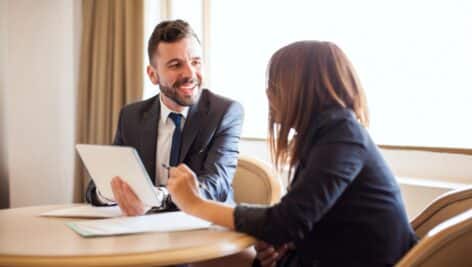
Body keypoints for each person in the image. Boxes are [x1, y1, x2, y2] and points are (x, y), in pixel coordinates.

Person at [167, 41, 418, 267]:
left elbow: (285, 221)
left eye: (274, 84)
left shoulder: (342, 134)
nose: (268, 94)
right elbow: (309, 217)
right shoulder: (326, 135)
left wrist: (195, 204)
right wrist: (290, 243)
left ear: (300, 88)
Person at [85, 19, 244, 216]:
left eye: (195, 62)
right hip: (146, 230)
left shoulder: (224, 112)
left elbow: (216, 185)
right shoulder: (131, 117)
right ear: (153, 75)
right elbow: (96, 187)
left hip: (204, 228)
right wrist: (113, 193)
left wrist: (156, 197)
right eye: (176, 65)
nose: (190, 73)